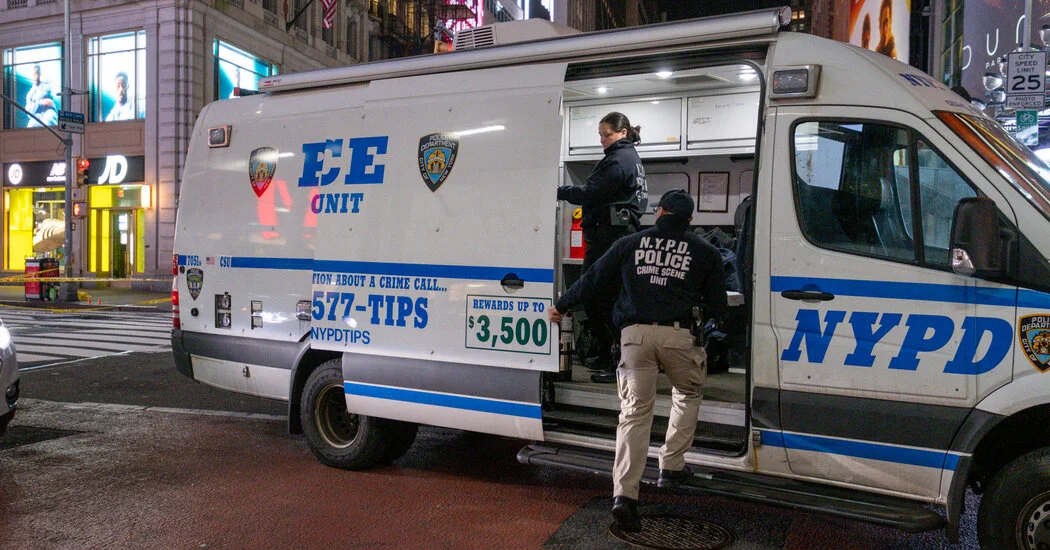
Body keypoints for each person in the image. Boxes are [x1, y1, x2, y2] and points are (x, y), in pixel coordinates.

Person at [548, 189, 727, 532]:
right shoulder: (706, 251)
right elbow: (718, 305)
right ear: (690, 219)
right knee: (687, 394)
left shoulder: (629, 243)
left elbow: (592, 278)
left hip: (635, 337)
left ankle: (625, 497)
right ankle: (671, 466)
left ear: (660, 212)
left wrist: (561, 306)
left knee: (634, 414)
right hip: (679, 336)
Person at [557, 111, 647, 383]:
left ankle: (616, 359)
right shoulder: (629, 157)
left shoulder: (618, 160)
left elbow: (590, 193)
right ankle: (611, 355)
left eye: (606, 134)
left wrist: (558, 191)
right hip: (615, 235)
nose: (602, 140)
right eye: (600, 134)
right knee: (604, 299)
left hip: (609, 237)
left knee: (600, 299)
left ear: (623, 132)